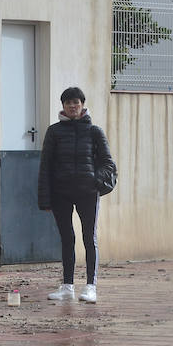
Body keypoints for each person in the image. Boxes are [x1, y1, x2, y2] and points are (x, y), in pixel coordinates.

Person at [38, 86, 116, 304]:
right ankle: (67, 286)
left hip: (87, 193)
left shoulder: (94, 131)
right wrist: (44, 199)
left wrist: (93, 179)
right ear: (63, 106)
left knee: (89, 238)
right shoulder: (54, 132)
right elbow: (45, 166)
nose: (72, 106)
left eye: (76, 102)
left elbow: (107, 162)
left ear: (82, 105)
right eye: (68, 103)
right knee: (67, 239)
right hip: (60, 193)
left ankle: (91, 286)